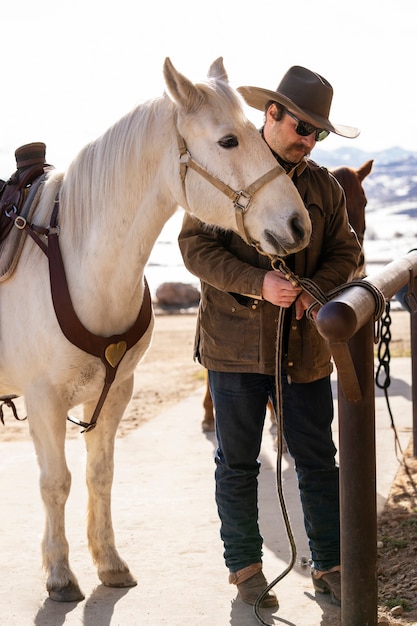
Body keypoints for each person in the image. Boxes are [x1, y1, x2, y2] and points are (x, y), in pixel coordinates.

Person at [178, 65, 362, 609]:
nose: (309, 140)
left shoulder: (325, 187)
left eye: (317, 133)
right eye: (302, 126)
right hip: (233, 350)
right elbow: (195, 250)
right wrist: (258, 283)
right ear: (271, 114)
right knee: (236, 463)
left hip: (304, 350)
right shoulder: (223, 165)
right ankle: (246, 570)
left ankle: (329, 565)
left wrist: (312, 290)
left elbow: (347, 253)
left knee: (317, 461)